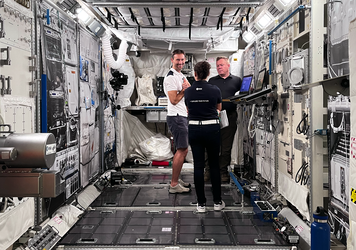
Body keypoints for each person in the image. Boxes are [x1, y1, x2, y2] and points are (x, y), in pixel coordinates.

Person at [184, 61, 225, 213]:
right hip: (212, 128)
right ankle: (217, 202)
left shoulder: (188, 92)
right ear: (208, 74)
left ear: (195, 74)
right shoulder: (215, 89)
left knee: (198, 166)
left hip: (194, 128)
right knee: (214, 165)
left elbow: (188, 109)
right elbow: (218, 108)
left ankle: (201, 204)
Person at [207, 56, 242, 182]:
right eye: (217, 66)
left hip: (230, 116)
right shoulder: (211, 81)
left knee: (226, 147)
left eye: (221, 65)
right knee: (211, 146)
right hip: (213, 116)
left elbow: (243, 96)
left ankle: (222, 172)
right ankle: (209, 171)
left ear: (228, 65)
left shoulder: (237, 81)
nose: (219, 67)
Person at [164, 49, 191, 194]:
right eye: (177, 60)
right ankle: (174, 185)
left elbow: (186, 93)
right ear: (172, 60)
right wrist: (184, 91)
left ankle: (176, 179)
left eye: (182, 60)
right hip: (176, 117)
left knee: (181, 150)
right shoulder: (170, 77)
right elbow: (174, 100)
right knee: (182, 149)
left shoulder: (180, 75)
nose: (180, 63)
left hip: (181, 115)